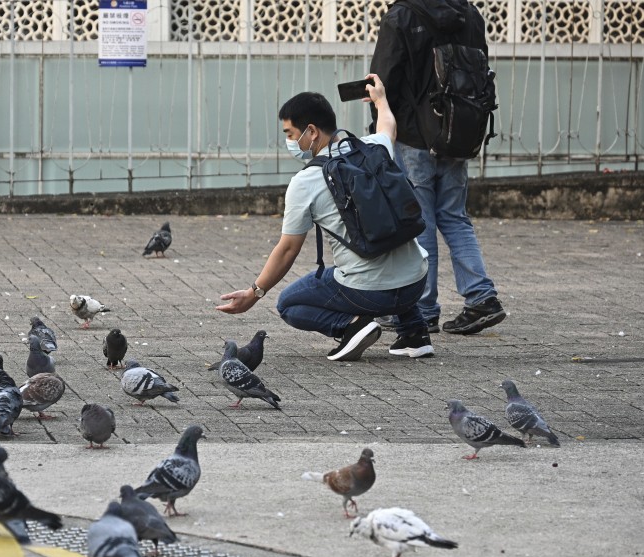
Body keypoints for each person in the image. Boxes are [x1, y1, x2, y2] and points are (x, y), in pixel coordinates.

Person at [216, 78, 433, 361]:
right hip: (416, 283)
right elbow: (387, 127)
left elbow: (288, 249)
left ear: (312, 132)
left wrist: (255, 292)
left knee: (289, 303)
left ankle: (352, 327)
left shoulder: (304, 181)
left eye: (291, 133)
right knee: (385, 240)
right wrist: (380, 100)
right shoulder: (373, 148)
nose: (289, 142)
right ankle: (415, 333)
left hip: (369, 295)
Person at [369, 0, 506, 335]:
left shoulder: (401, 16)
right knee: (455, 217)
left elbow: (382, 79)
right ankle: (481, 298)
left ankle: (422, 307)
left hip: (414, 135)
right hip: (458, 131)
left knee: (421, 222)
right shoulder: (471, 14)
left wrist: (380, 124)